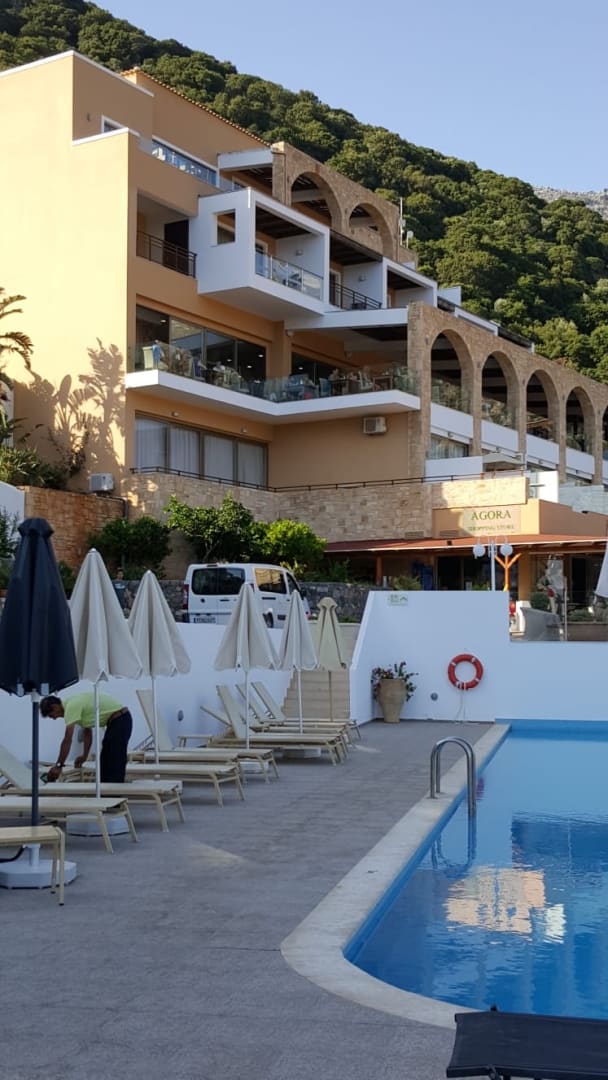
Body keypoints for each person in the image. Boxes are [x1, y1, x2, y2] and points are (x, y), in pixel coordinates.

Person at [40, 692, 133, 783]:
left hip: (120, 720)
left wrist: (58, 766)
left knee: (114, 759)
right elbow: (87, 733)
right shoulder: (72, 705)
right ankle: (107, 789)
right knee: (105, 760)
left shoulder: (71, 707)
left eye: (52, 715)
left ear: (54, 707)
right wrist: (84, 756)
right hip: (118, 721)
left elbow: (67, 739)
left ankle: (114, 790)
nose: (55, 718)